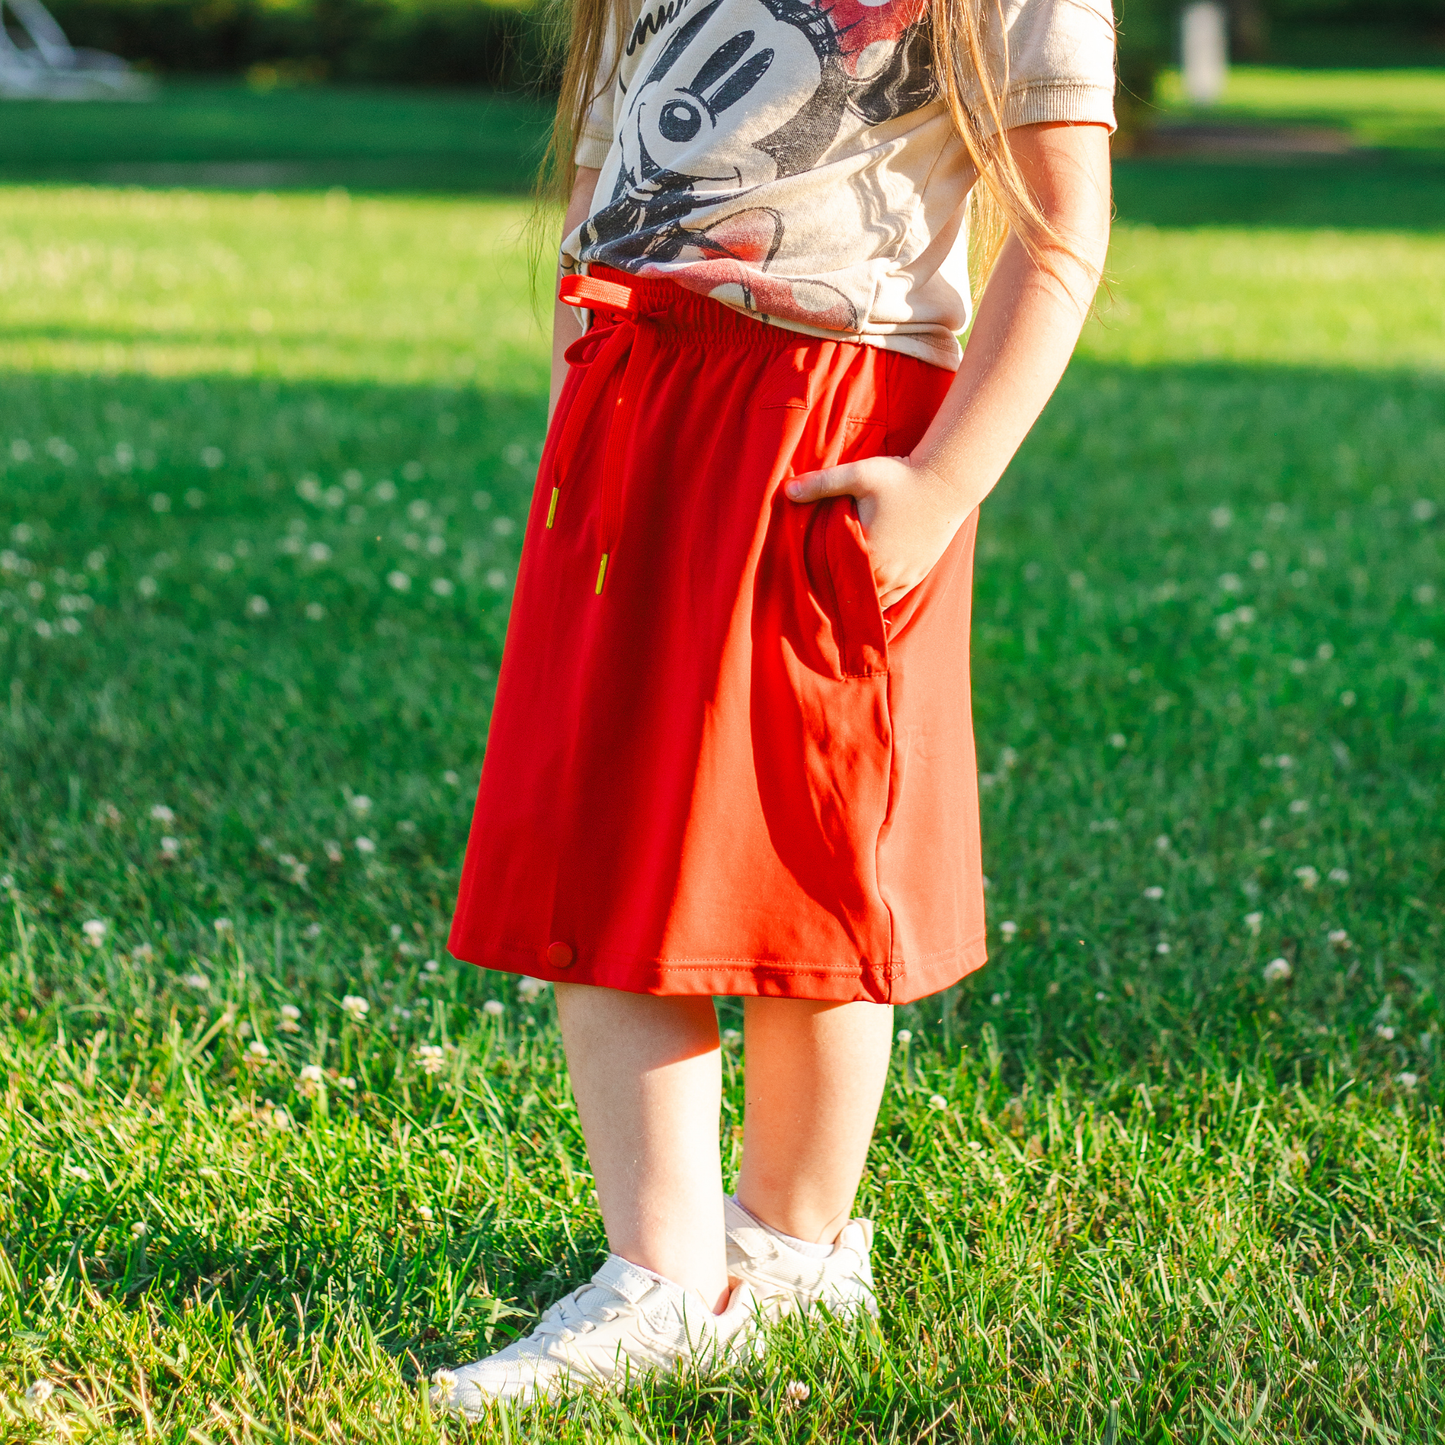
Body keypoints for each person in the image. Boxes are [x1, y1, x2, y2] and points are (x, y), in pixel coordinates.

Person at [432, 0, 1115, 1413]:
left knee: (817, 849)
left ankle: (793, 1254)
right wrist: (592, 370)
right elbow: (613, 151)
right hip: (645, 399)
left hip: (835, 422)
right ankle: (663, 1273)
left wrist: (939, 490)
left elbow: (1060, 230)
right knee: (608, 831)